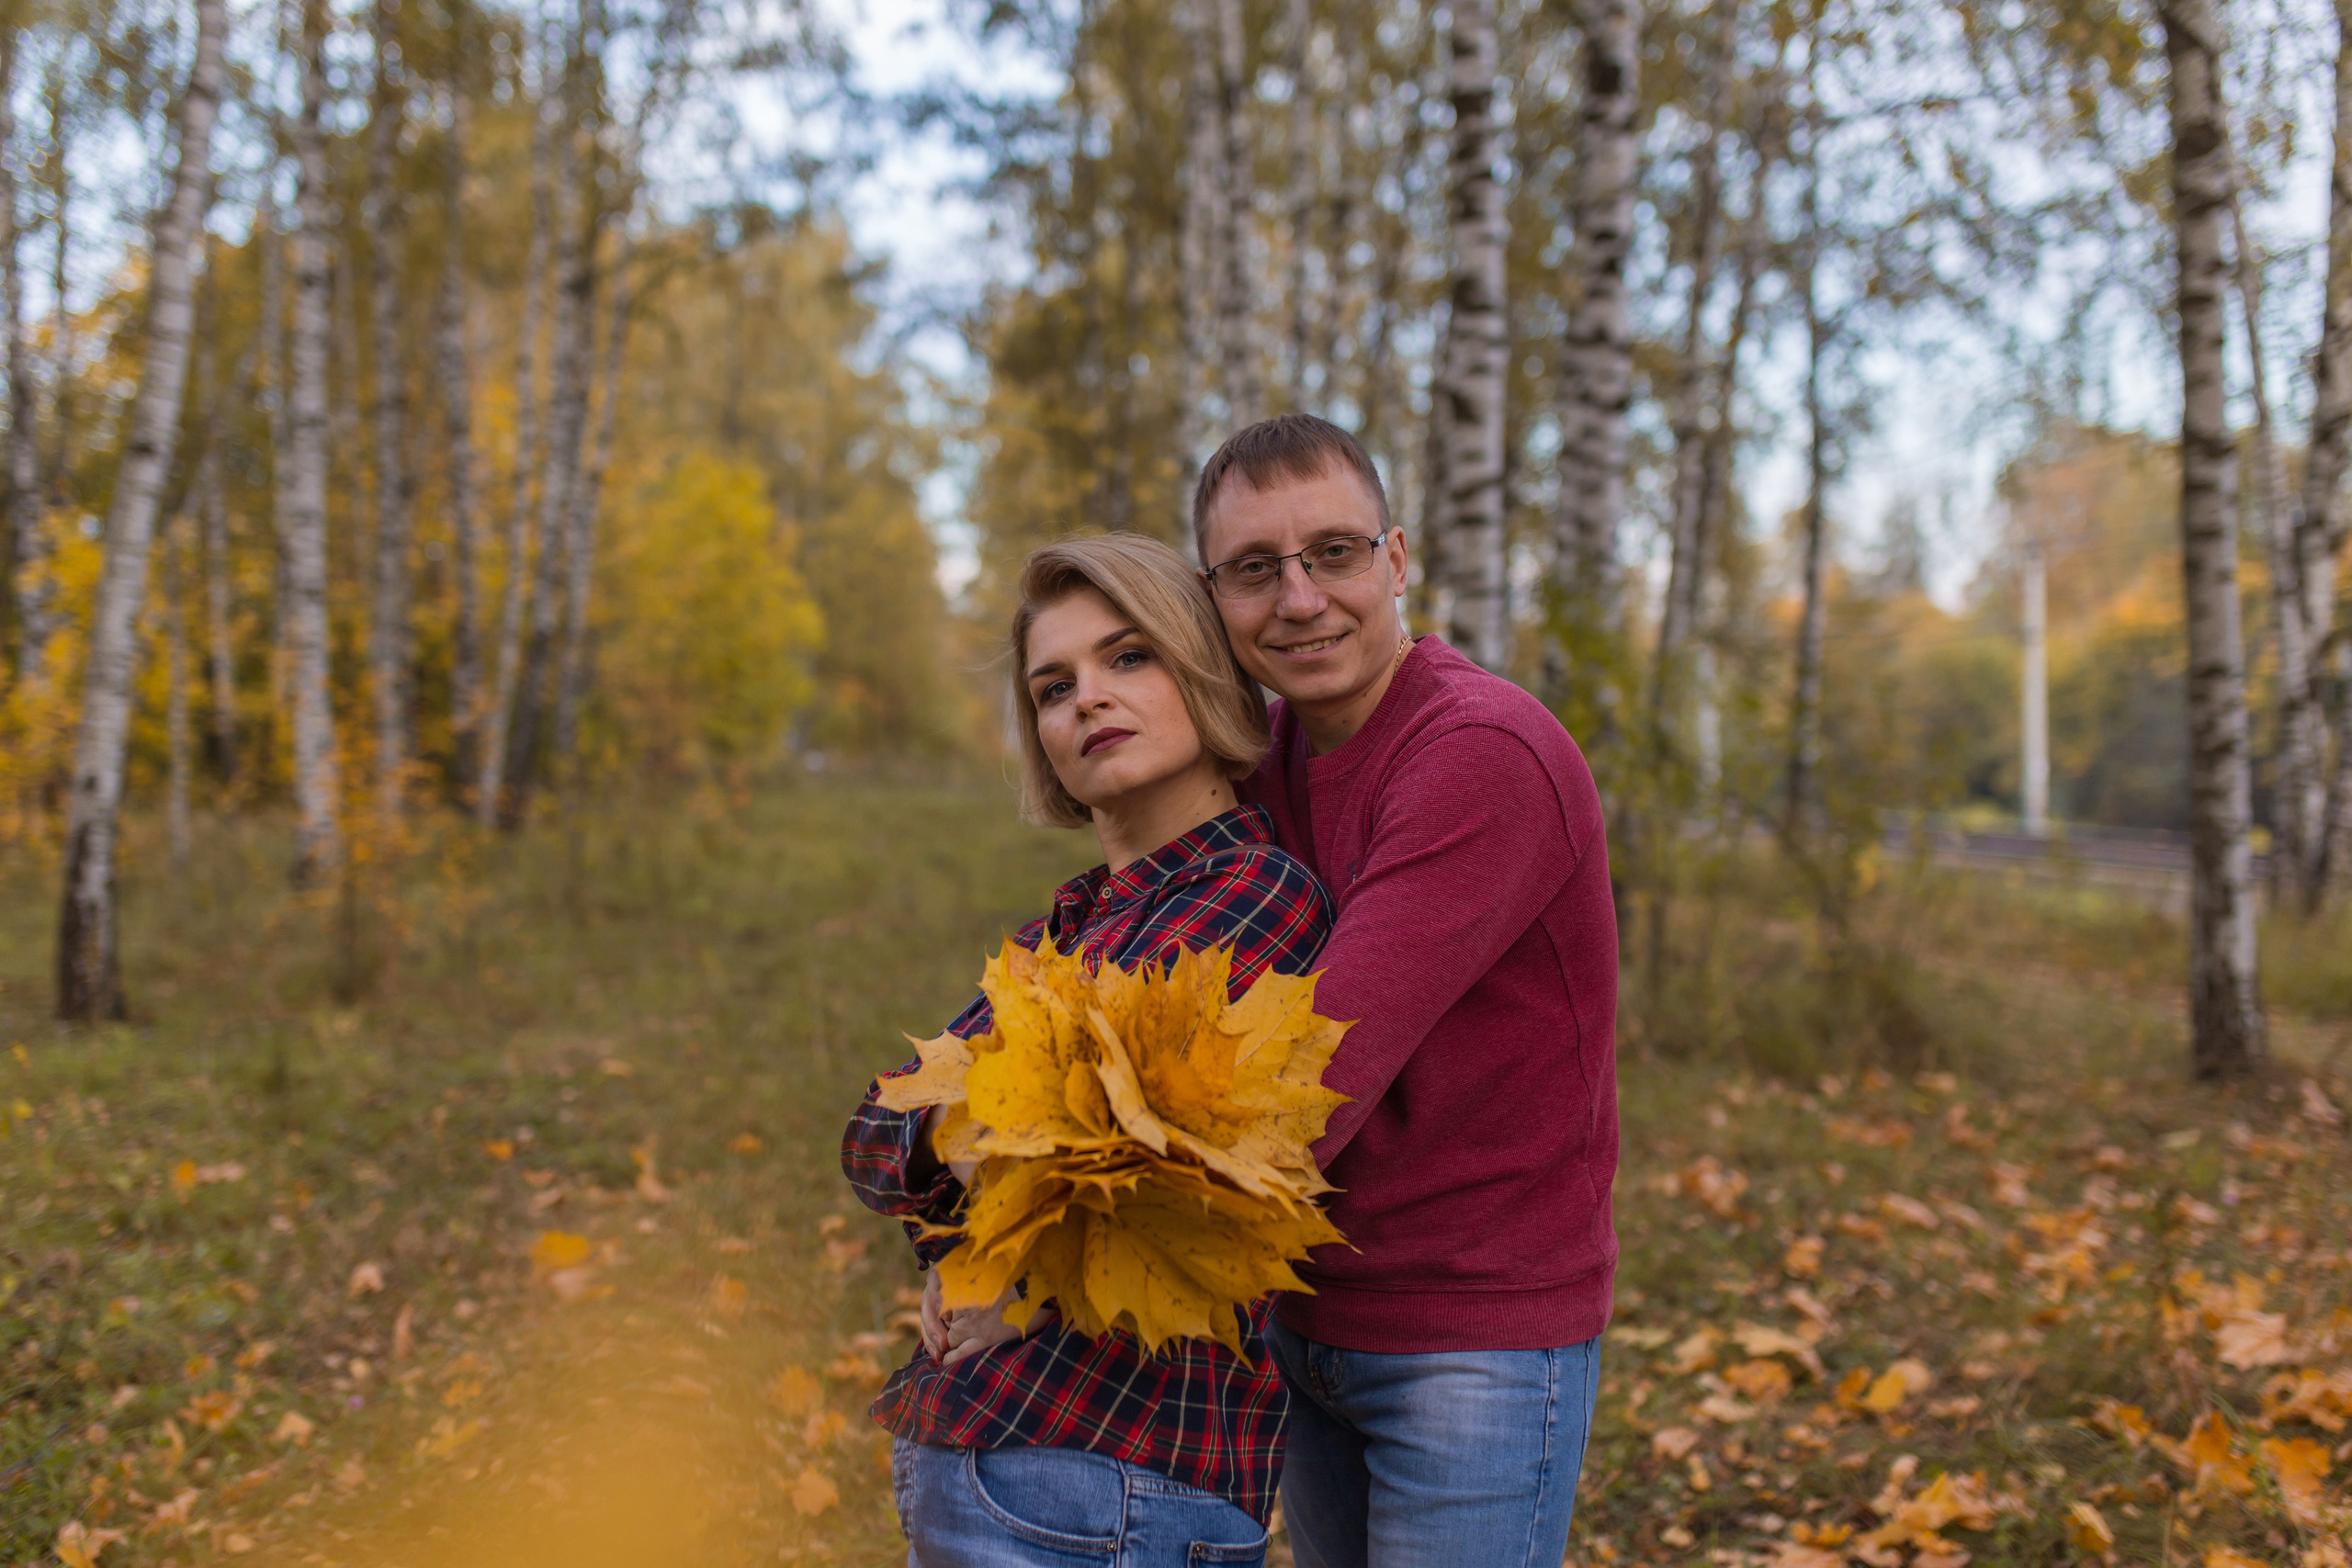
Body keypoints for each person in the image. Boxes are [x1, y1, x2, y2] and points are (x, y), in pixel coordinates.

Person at [841, 533, 1333, 1568]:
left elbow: (1125, 1164)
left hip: (1113, 1474)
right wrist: (987, 1181)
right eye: (1052, 686)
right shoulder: (1065, 930)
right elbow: (873, 1136)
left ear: (1201, 668)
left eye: (1129, 657)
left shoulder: (1253, 898)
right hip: (1003, 1458)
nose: (1087, 700)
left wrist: (990, 1202)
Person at [1194, 414, 1620, 1568]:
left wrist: (1048, 1259)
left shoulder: (1480, 752)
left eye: (1332, 553)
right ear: (1212, 600)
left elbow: (1311, 1077)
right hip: (1302, 1310)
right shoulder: (1262, 761)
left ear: (1395, 560)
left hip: (1469, 1333)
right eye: (1253, 570)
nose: (1298, 599)